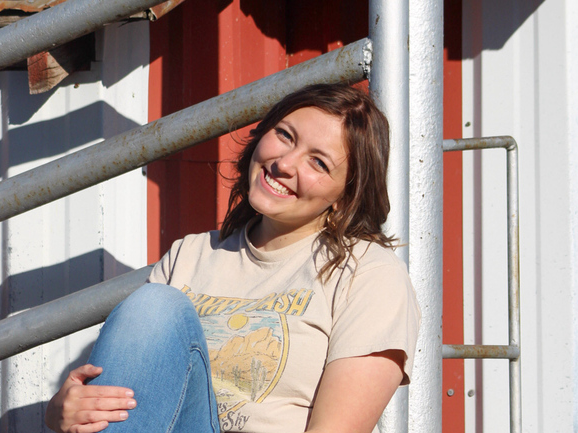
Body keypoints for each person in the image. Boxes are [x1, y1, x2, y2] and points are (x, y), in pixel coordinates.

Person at [44, 83, 421, 433]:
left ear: (346, 195)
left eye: (318, 163)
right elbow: (125, 395)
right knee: (153, 305)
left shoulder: (368, 274)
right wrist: (62, 410)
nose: (285, 163)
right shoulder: (190, 254)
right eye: (285, 136)